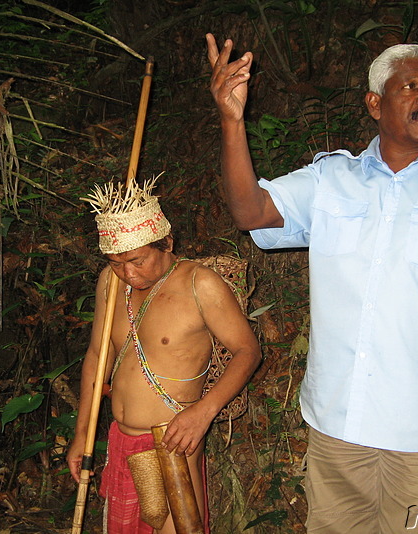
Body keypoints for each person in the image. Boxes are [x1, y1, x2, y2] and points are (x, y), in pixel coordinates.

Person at [206, 35, 418, 533]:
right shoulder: (330, 180)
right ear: (374, 103)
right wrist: (232, 121)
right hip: (338, 428)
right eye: (411, 86)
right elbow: (250, 211)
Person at [67, 178, 261, 534]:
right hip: (121, 438)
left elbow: (247, 351)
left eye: (136, 260)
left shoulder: (199, 284)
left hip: (174, 441)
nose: (128, 273)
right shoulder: (111, 284)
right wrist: (83, 432)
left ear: (166, 243)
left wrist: (203, 412)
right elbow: (98, 355)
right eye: (115, 262)